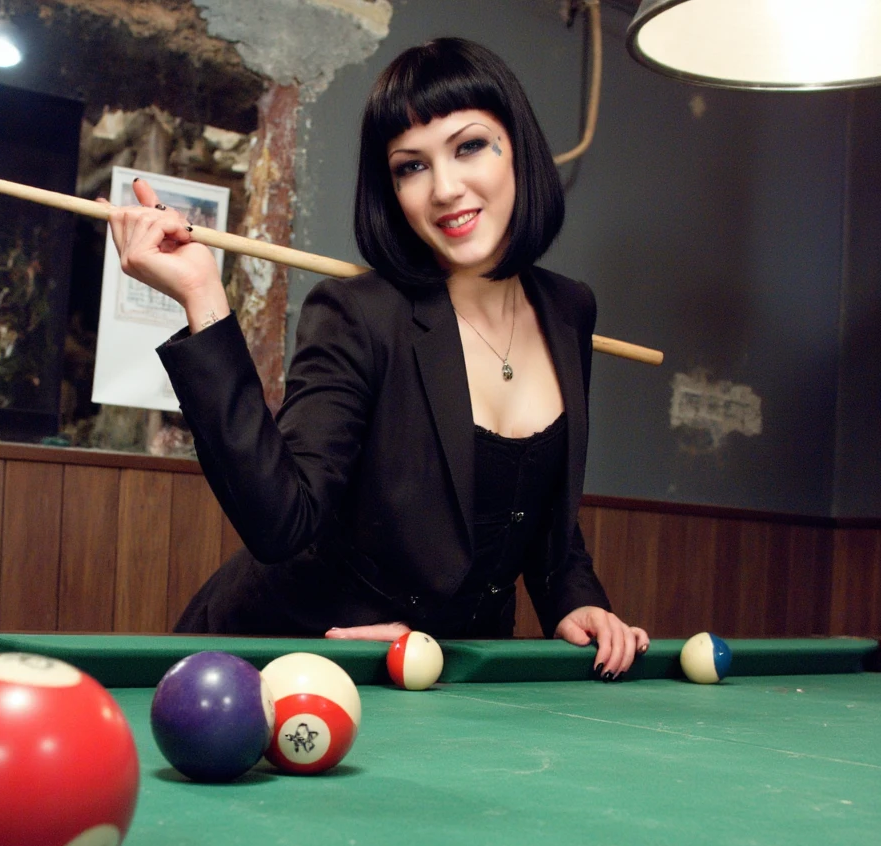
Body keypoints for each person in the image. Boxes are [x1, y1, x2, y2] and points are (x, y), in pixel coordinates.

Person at [104, 37, 649, 679]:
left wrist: (573, 597)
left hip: (445, 671)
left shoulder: (569, 310)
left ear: (518, 148)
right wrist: (201, 295)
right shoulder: (358, 313)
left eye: (469, 145)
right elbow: (283, 523)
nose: (445, 188)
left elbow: (537, 502)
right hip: (300, 652)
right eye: (410, 166)